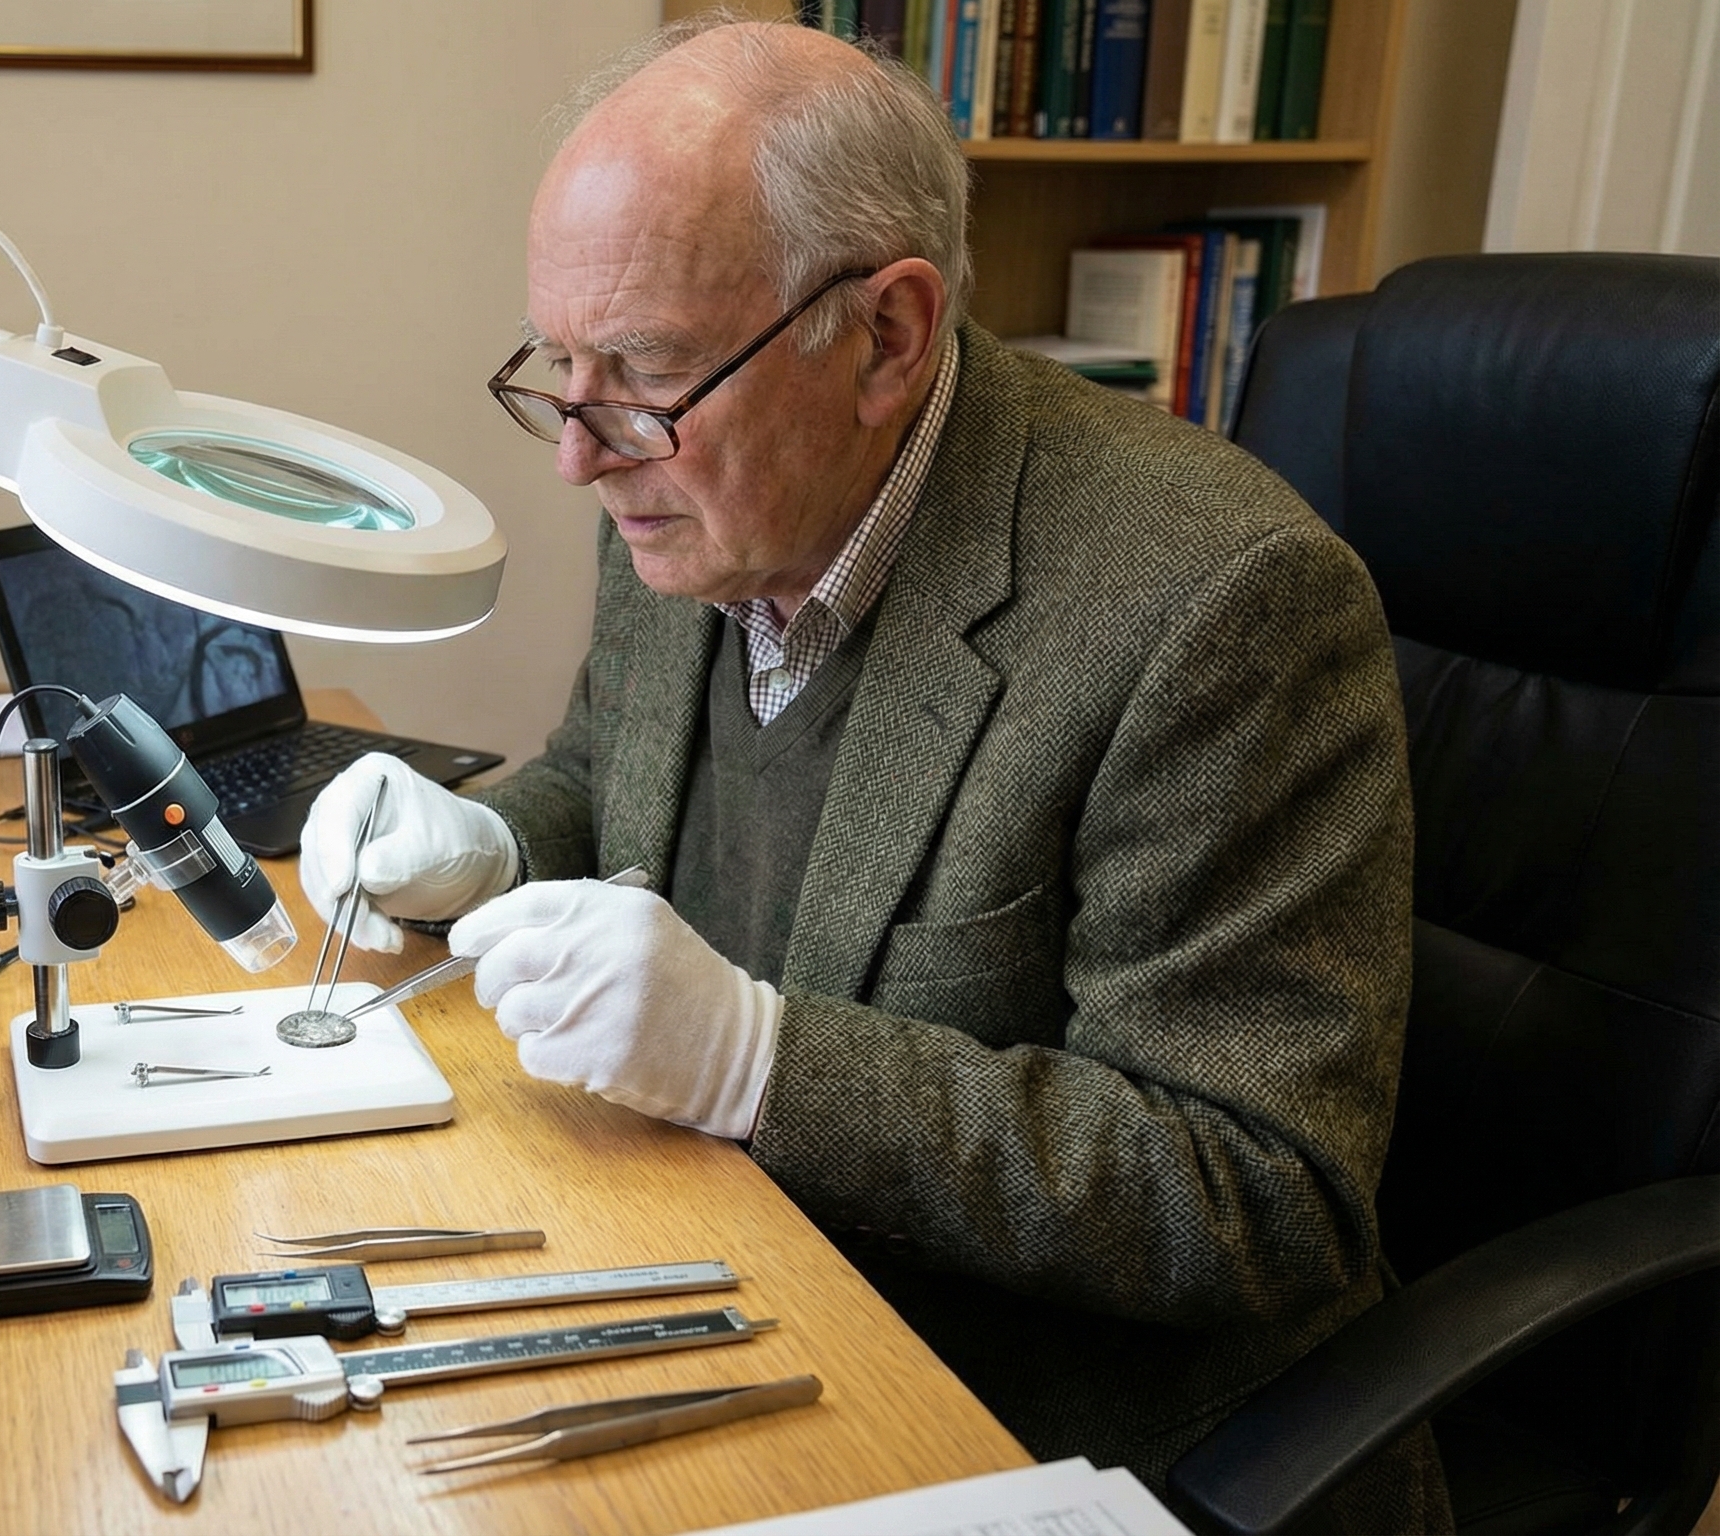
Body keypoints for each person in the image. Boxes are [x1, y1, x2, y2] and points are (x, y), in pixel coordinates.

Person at [298, 17, 1447, 1530]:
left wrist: (764, 1062)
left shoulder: (1217, 605)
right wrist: (495, 846)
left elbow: (1254, 1195)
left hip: (1066, 1418)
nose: (579, 454)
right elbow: (613, 775)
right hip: (737, 1275)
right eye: (559, 369)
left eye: (638, 373)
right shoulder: (686, 479)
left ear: (888, 335)